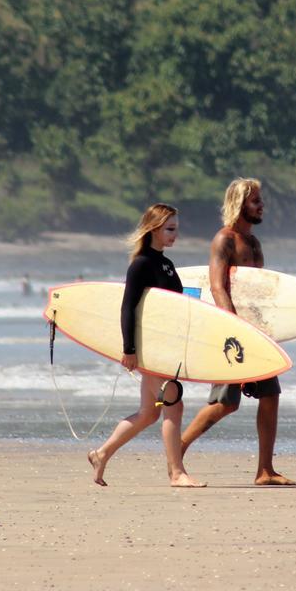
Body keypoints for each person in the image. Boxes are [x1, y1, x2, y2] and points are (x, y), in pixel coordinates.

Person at [181, 178, 296, 485]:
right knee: (225, 403)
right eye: (256, 201)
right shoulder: (225, 240)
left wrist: (267, 330)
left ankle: (265, 470)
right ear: (240, 204)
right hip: (231, 334)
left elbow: (258, 293)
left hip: (255, 333)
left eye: (261, 200)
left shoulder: (256, 244)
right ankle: (174, 452)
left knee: (270, 395)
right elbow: (218, 287)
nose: (262, 206)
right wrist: (236, 331)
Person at [87, 203, 205, 489]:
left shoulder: (165, 263)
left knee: (149, 413)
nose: (175, 234)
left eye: (176, 229)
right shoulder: (141, 263)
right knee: (173, 403)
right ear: (154, 228)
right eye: (170, 229)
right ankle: (177, 473)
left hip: (164, 346)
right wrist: (129, 350)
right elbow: (127, 307)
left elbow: (173, 304)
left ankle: (101, 454)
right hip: (148, 348)